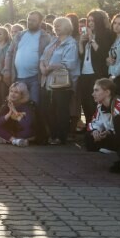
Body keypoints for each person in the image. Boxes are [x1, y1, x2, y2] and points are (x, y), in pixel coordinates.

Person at [84, 78, 120, 171]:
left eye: (96, 90)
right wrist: (95, 131)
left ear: (107, 92)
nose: (93, 94)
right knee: (89, 137)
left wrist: (110, 132)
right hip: (118, 136)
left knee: (119, 120)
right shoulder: (100, 106)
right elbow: (94, 122)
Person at [40, 17, 80, 146]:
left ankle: (60, 137)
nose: (56, 27)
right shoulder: (53, 41)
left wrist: (50, 67)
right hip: (47, 81)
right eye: (55, 25)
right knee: (49, 110)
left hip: (63, 83)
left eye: (59, 25)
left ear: (67, 27)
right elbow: (43, 57)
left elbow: (69, 63)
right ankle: (52, 134)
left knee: (61, 111)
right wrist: (43, 68)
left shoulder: (71, 43)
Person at [78, 10, 114, 127]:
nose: (90, 23)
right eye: (89, 21)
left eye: (93, 20)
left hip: (97, 72)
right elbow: (82, 55)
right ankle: (89, 126)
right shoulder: (88, 33)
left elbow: (103, 54)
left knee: (94, 102)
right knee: (84, 100)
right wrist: (80, 42)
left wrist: (92, 39)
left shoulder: (107, 34)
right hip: (84, 72)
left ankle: (96, 126)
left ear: (99, 21)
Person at [0, 82, 40, 147]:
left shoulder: (27, 106)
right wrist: (9, 113)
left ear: (22, 95)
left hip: (23, 131)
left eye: (16, 92)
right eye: (11, 91)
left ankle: (6, 139)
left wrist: (15, 112)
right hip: (12, 132)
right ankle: (14, 141)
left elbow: (27, 125)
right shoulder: (7, 104)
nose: (12, 94)